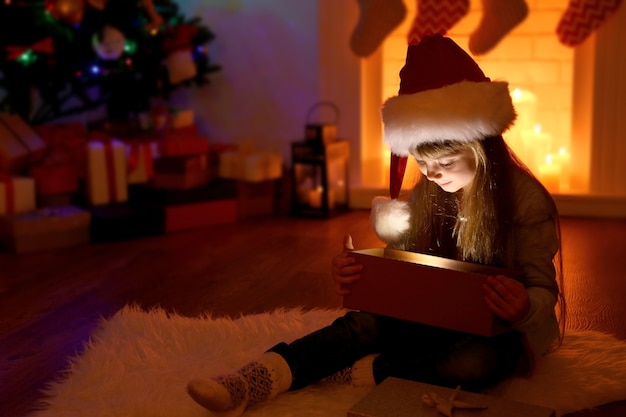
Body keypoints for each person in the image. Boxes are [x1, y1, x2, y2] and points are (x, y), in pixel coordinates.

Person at [186, 34, 566, 417]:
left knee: (479, 363)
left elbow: (542, 289)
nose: (432, 174)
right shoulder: (431, 193)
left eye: (446, 162)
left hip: (503, 332)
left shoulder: (525, 201)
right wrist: (364, 272)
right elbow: (412, 268)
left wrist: (522, 308)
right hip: (434, 318)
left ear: (482, 147)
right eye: (421, 163)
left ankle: (365, 371)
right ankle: (256, 378)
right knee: (363, 323)